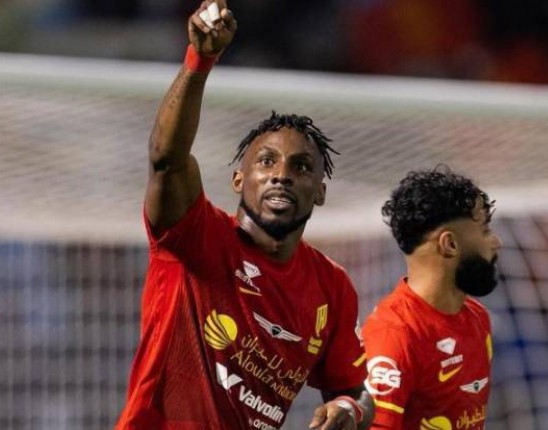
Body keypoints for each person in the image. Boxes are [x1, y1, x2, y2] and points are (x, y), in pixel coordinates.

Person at [115, 1, 373, 429]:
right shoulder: (197, 235)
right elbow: (167, 160)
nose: (282, 175)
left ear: (320, 193)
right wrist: (199, 61)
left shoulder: (332, 287)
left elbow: (354, 390)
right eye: (267, 161)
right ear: (239, 179)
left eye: (301, 167)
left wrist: (349, 408)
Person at [361, 168, 503, 430]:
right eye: (484, 230)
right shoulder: (395, 335)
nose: (496, 242)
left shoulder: (477, 318)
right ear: (449, 244)